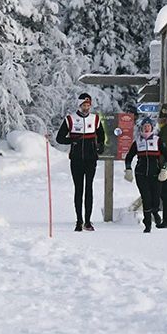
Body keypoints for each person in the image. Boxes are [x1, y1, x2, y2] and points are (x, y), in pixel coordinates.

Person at [55, 93, 109, 232]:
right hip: (76, 159)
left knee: (89, 188)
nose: (86, 108)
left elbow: (101, 134)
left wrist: (100, 145)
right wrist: (72, 140)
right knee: (79, 189)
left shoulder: (95, 119)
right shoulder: (70, 119)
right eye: (84, 105)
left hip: (91, 159)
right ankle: (79, 221)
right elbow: (59, 138)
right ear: (79, 105)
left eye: (88, 105)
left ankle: (88, 221)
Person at [124, 117, 165, 232]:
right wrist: (128, 169)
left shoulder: (158, 140)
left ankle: (155, 212)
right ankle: (147, 224)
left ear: (152, 128)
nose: (146, 129)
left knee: (155, 199)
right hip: (141, 174)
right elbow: (129, 157)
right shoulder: (137, 141)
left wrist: (164, 169)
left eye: (148, 127)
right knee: (146, 199)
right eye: (144, 127)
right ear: (141, 128)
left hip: (155, 174)